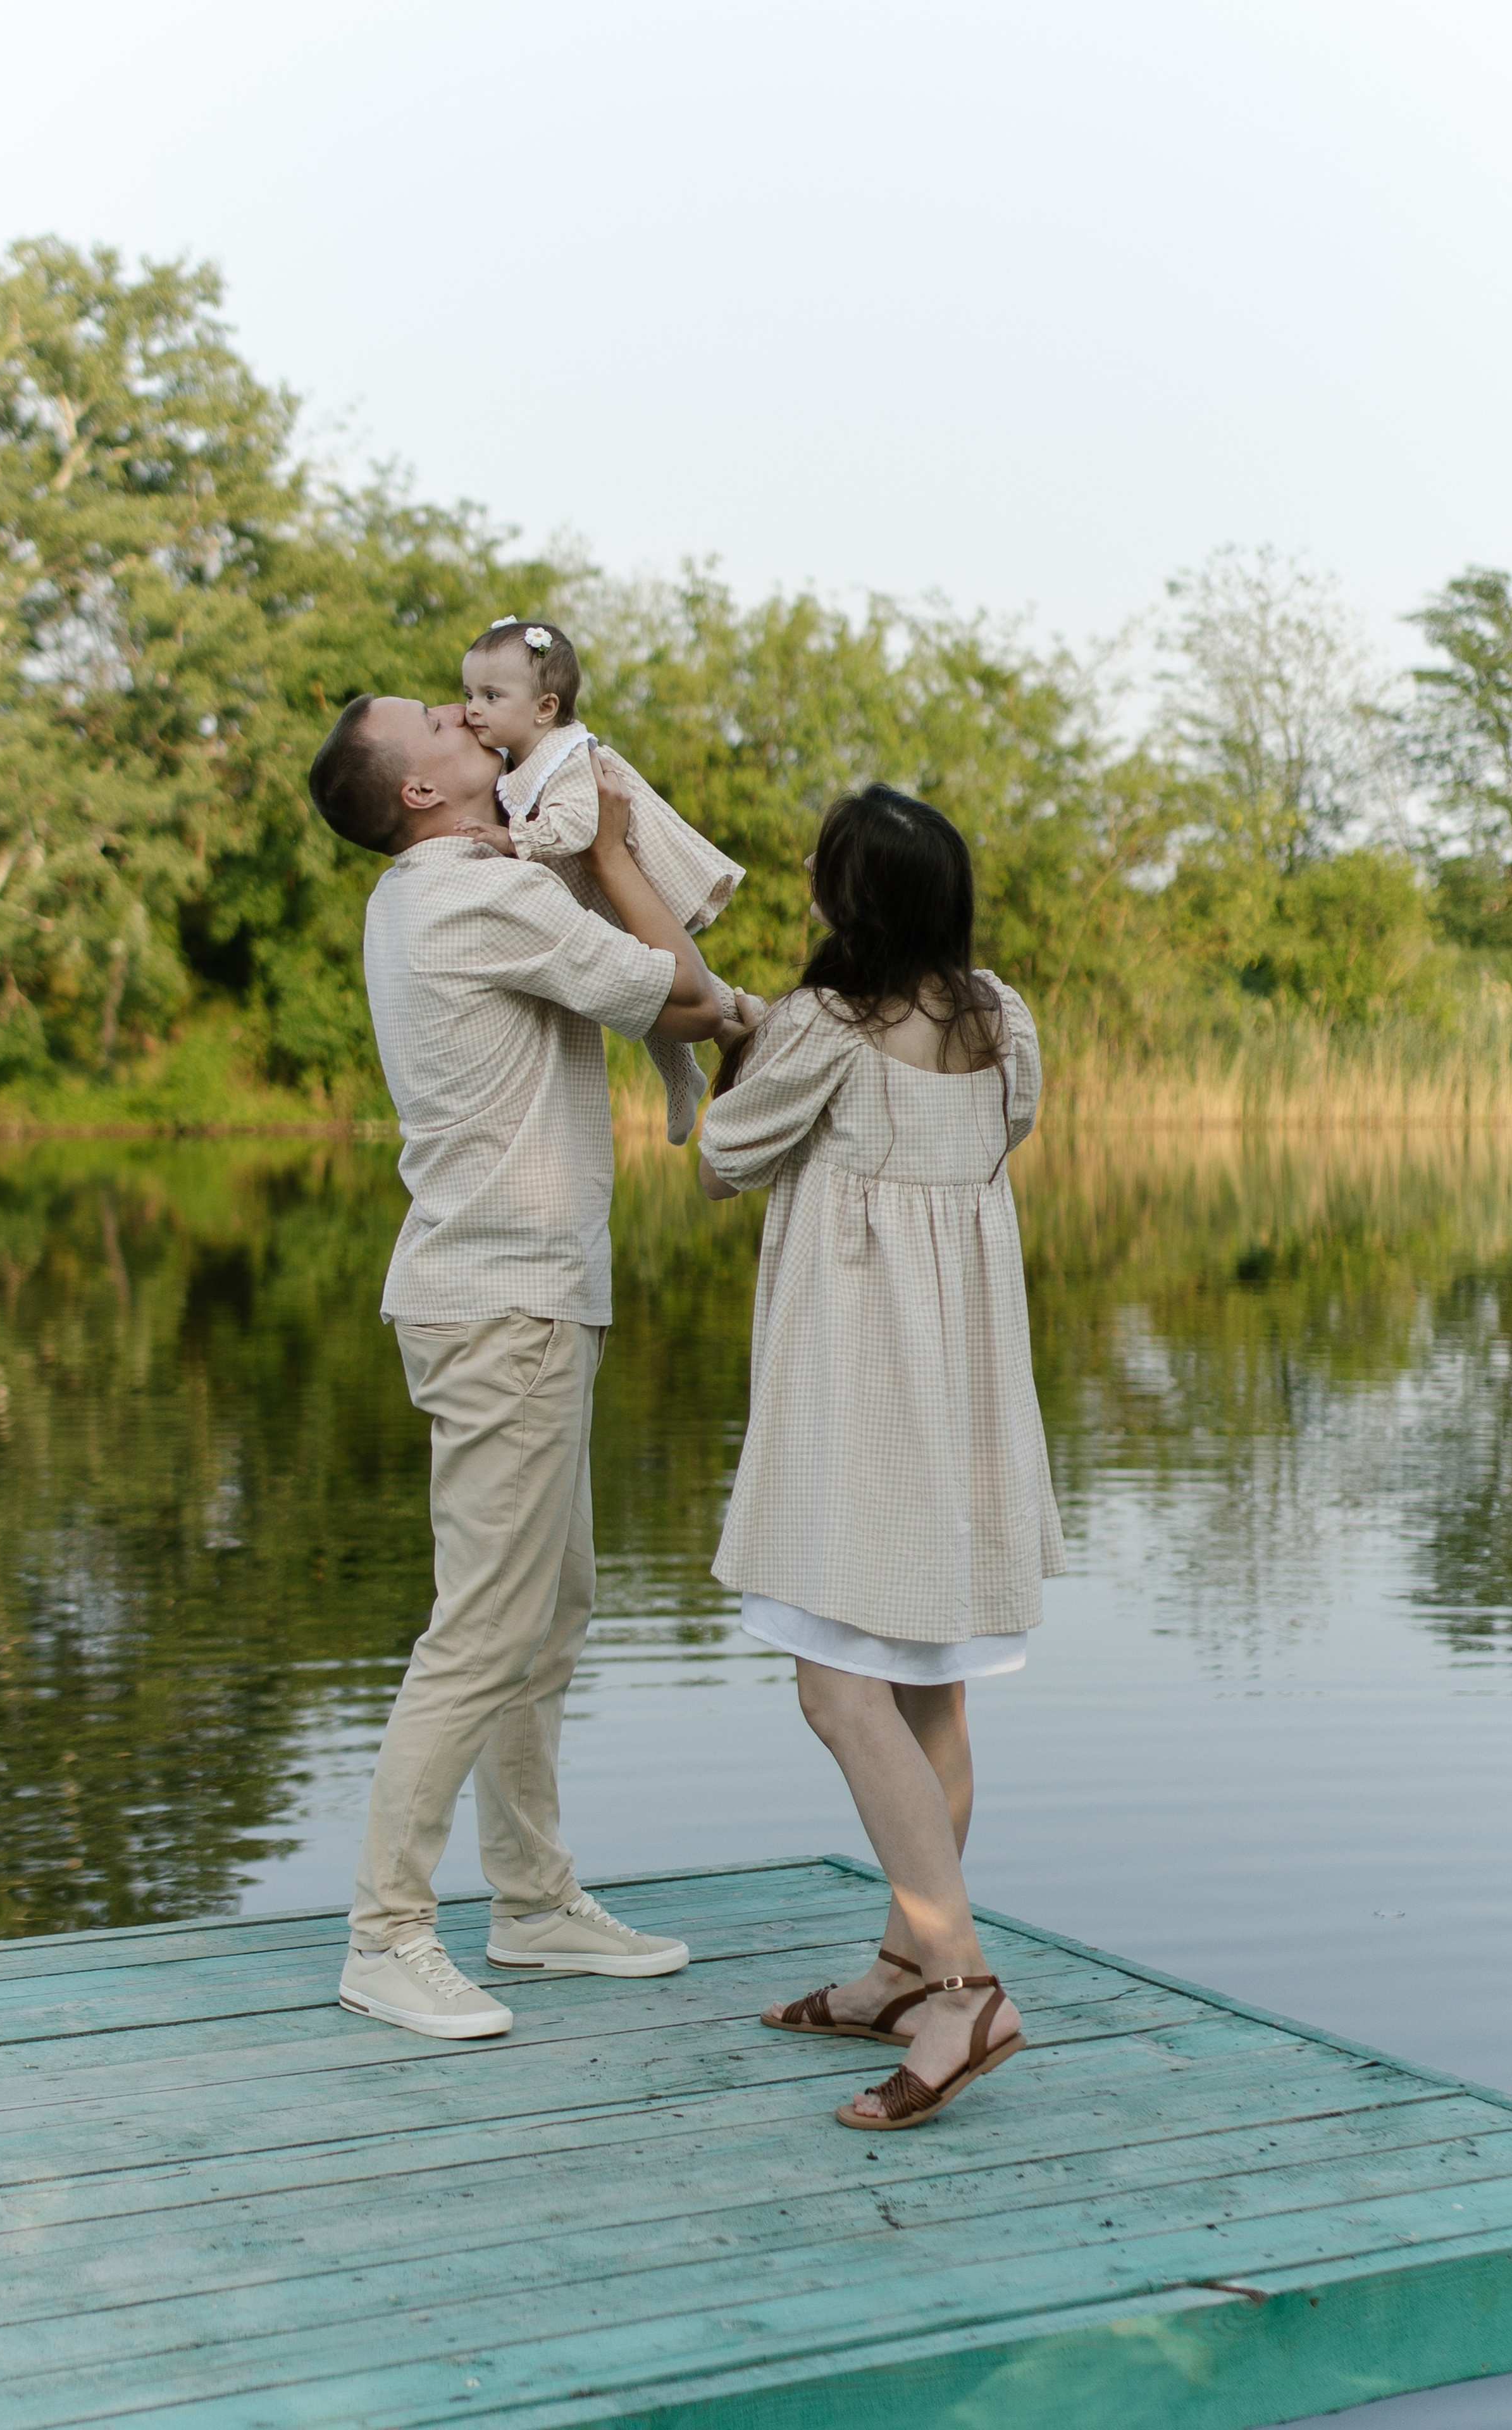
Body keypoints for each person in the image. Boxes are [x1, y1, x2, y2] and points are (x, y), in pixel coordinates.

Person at [307, 694, 743, 2040]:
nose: (460, 709)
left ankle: (534, 1902)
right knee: (488, 1626)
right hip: (504, 1307)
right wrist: (607, 845)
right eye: (433, 720)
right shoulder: (472, 898)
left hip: (515, 1301)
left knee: (547, 1613)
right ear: (418, 793)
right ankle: (385, 1936)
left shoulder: (438, 887)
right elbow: (678, 995)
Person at [698, 783, 1067, 2129]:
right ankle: (903, 1967)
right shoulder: (1002, 1020)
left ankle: (963, 1985)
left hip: (851, 1391)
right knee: (929, 1693)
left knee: (837, 1691)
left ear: (847, 900)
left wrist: (743, 1041)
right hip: (964, 1392)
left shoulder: (821, 1026)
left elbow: (723, 1159)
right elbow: (998, 1133)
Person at [459, 616, 742, 1145]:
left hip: (619, 886)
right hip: (588, 891)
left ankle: (747, 1018)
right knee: (649, 991)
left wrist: (512, 839)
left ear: (545, 708)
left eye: (491, 696)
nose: (472, 709)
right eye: (469, 694)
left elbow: (577, 824)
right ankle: (685, 1073)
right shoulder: (521, 759)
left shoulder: (567, 757)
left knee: (666, 980)